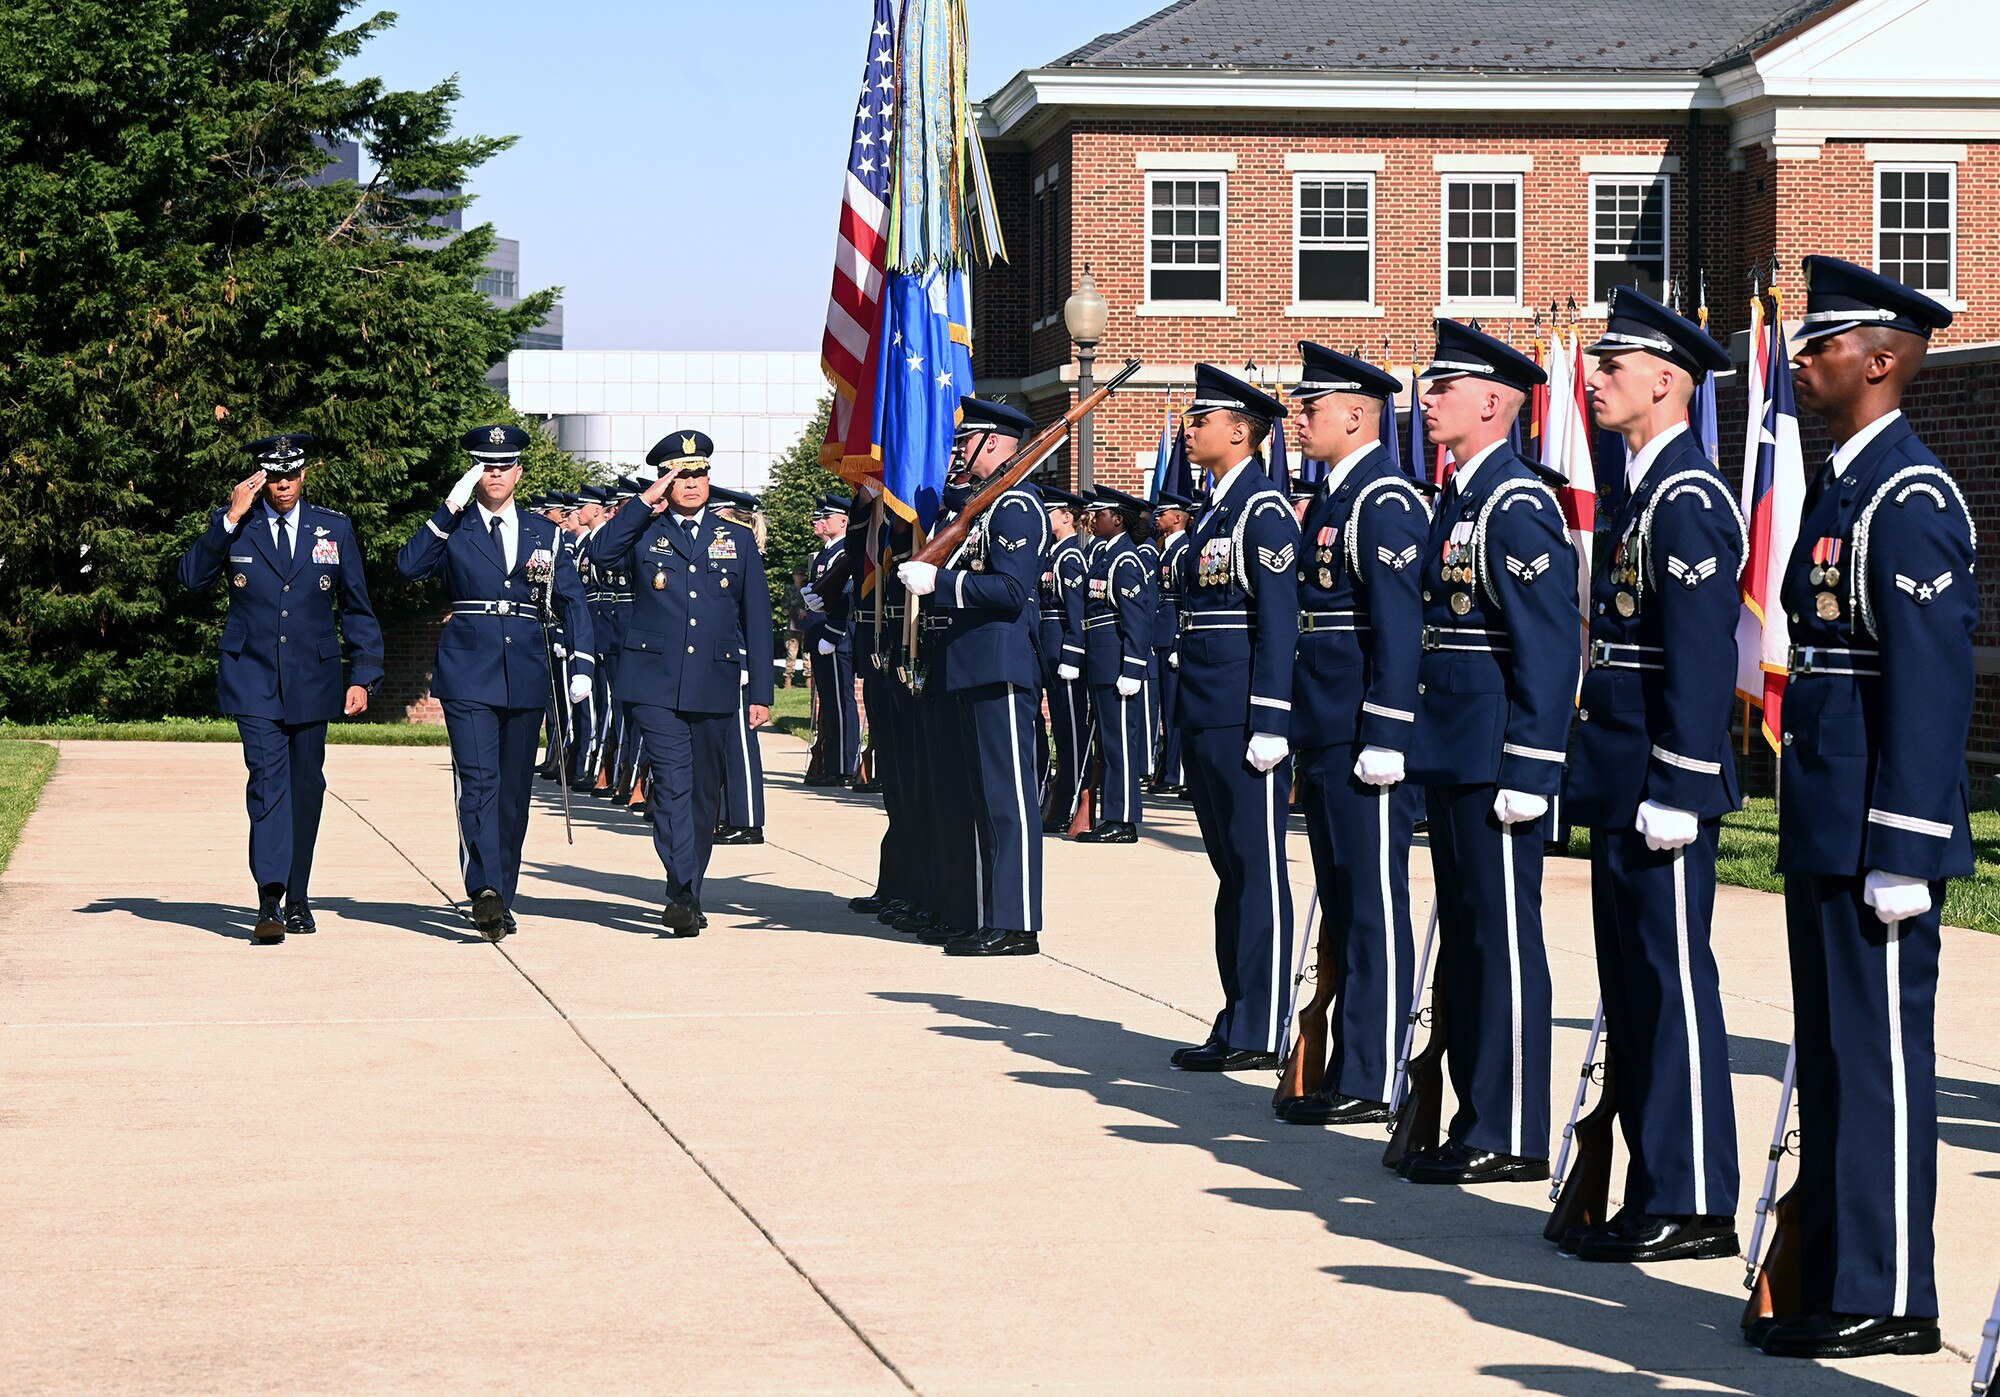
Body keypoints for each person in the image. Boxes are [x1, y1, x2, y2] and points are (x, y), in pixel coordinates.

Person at [1752, 258, 1966, 1361]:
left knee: (1878, 1059)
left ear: (1878, 361)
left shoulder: (1911, 496)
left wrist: (1905, 843)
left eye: (1819, 345)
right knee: (1835, 1056)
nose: (1797, 361)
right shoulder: (1842, 484)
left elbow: (1929, 688)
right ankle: (1836, 1272)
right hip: (1824, 817)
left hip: (1873, 829)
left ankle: (1890, 1291)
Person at [1561, 288, 1744, 1262]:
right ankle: (1654, 1182)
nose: (1594, 379)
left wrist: (1677, 782)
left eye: (1613, 365)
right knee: (1630, 987)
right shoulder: (1642, 489)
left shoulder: (1687, 496)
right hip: (1621, 779)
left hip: (1659, 787)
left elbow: (1701, 657)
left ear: (1666, 380)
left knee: (1670, 983)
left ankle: (1696, 1195)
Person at [1401, 321, 1577, 1184]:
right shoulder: (1460, 499)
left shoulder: (1515, 503)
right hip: (1453, 751)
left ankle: (1509, 1126)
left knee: (1503, 940)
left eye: (1446, 386)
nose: (1428, 399)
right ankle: (1476, 1111)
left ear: (1496, 401)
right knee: (1469, 938)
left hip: (1496, 758)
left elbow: (1547, 646)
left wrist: (1533, 765)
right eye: (1430, 385)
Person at [1277, 345, 1427, 1126]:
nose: (1299, 418)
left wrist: (1388, 730)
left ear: (1358, 415)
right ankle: (1346, 1061)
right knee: (1342, 898)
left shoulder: (1383, 500)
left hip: (1363, 733)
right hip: (1326, 730)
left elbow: (1399, 628)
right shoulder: (1334, 500)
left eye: (1312, 407)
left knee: (1372, 902)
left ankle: (1373, 1072)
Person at [177, 432, 384, 944]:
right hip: (253, 676)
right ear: (261, 478)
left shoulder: (333, 528)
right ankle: (269, 899)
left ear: (305, 474)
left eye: (292, 474)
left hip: (313, 678)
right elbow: (192, 577)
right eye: (275, 475)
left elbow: (356, 605)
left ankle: (299, 897)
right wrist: (228, 517)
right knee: (268, 782)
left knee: (306, 788)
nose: (284, 483)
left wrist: (364, 674)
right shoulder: (236, 527)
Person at [396, 424, 595, 940]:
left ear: (519, 472)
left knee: (515, 792)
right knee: (479, 782)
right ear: (474, 473)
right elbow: (409, 566)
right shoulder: (455, 531)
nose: (496, 474)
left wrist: (583, 664)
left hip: (527, 671)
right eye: (486, 466)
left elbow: (572, 601)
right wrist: (446, 511)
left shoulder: (544, 532)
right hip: (468, 671)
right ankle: (483, 888)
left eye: (504, 465)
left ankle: (502, 892)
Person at [1167, 364, 1301, 1073]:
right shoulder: (1218, 507)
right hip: (1207, 714)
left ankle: (1263, 1021)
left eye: (1201, 420)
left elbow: (1278, 622)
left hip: (1245, 719)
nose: (1190, 430)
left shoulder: (1264, 510)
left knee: (1257, 870)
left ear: (1241, 431)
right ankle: (1237, 1010)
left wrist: (1272, 720)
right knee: (1230, 871)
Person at [587, 432, 773, 932]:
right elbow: (600, 555)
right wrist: (642, 502)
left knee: (703, 794)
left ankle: (690, 882)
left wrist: (761, 695)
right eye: (680, 475)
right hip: (653, 681)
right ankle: (684, 890)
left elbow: (757, 615)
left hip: (714, 680)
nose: (692, 484)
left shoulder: (734, 537)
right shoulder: (642, 531)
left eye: (699, 474)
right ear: (664, 481)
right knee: (671, 784)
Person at [897, 398, 1049, 956]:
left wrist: (942, 584)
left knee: (1008, 800)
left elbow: (1012, 591)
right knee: (980, 799)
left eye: (970, 440)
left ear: (1000, 444)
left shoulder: (1016, 506)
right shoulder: (985, 509)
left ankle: (1017, 921)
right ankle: (985, 911)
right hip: (969, 663)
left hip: (1001, 665)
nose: (960, 449)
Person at [1075, 487, 1153, 844]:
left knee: (1120, 743)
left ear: (1117, 519)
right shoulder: (1103, 556)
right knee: (1108, 743)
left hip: (1117, 664)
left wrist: (1133, 668)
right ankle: (1113, 815)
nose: (1093, 519)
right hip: (1101, 662)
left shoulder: (1125, 561)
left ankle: (1122, 820)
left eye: (1100, 514)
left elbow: (1137, 619)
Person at [711, 485, 768, 846]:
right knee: (727, 744)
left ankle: (748, 820)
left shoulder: (742, 553)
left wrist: (747, 661)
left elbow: (751, 618)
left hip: (738, 660)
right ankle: (732, 815)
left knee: (741, 746)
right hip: (726, 659)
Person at [1039, 486, 1091, 831]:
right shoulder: (1052, 554)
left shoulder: (1071, 557)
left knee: (1070, 733)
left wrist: (1072, 653)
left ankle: (1070, 803)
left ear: (1066, 517)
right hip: (1046, 650)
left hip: (1063, 656)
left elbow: (1077, 613)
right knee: (1057, 727)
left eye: (1051, 512)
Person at [804, 496, 860, 785]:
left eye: (826, 517)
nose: (819, 522)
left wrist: (833, 634)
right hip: (821, 637)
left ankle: (843, 767)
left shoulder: (843, 553)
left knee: (840, 703)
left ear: (843, 521)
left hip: (834, 638)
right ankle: (832, 764)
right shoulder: (827, 553)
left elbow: (844, 597)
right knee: (829, 703)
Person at [1146, 493, 1194, 796]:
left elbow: (1185, 600)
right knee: (1167, 709)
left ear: (1178, 518)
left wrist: (1178, 643)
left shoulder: (1182, 552)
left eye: (1162, 513)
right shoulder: (1167, 551)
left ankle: (1177, 771)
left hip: (1172, 636)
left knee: (1176, 708)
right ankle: (1169, 767)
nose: (1156, 518)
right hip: (1162, 635)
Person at [784, 567, 810, 688]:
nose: (799, 576)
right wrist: (795, 610)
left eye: (801, 574)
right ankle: (788, 680)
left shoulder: (808, 589)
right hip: (793, 626)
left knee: (807, 653)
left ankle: (809, 680)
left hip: (806, 624)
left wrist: (806, 611)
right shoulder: (789, 591)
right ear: (793, 576)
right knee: (791, 652)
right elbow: (784, 608)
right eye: (797, 574)